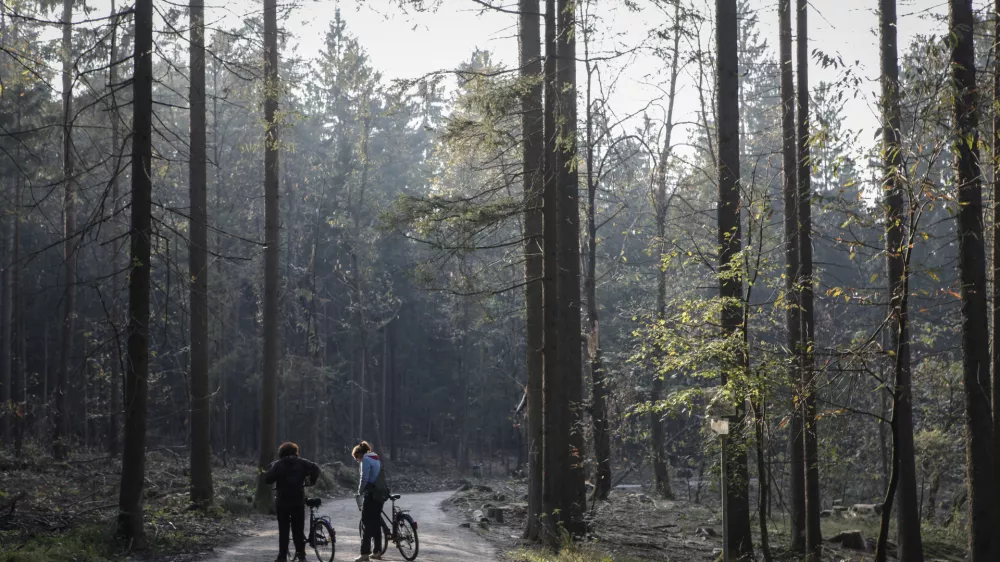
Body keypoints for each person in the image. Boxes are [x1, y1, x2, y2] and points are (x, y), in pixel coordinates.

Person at [265, 442, 321, 562]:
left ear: (281, 453)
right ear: (295, 452)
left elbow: (267, 479)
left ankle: (282, 557)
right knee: (298, 530)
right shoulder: (302, 463)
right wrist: (311, 481)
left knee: (284, 530)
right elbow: (316, 468)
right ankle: (301, 555)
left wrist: (273, 470)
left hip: (282, 502)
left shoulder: (278, 464)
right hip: (298, 501)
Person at [353, 441, 387, 562]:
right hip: (380, 494)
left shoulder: (366, 460)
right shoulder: (375, 457)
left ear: (359, 454)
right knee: (376, 522)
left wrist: (359, 492)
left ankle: (364, 554)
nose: (357, 461)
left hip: (371, 494)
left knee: (366, 523)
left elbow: (364, 478)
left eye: (356, 458)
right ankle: (377, 551)